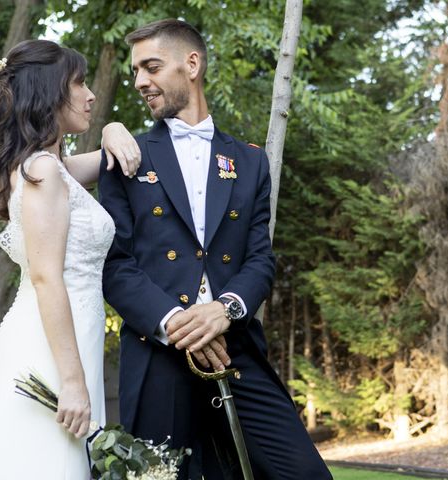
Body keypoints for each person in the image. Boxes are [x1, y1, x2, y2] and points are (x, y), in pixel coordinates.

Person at [99, 19, 333, 480]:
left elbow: (260, 258)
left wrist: (224, 311)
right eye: (135, 72)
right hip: (159, 352)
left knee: (303, 472)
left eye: (151, 67)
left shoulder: (249, 160)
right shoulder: (127, 155)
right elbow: (115, 264)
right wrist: (178, 325)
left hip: (234, 347)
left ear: (192, 64)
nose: (140, 81)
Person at [0, 39, 139, 479]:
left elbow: (110, 161)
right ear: (49, 92)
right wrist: (72, 381)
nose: (90, 94)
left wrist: (114, 127)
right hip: (52, 349)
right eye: (79, 83)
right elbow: (45, 279)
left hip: (72, 338)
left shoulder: (51, 168)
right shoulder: (42, 173)